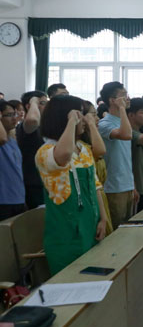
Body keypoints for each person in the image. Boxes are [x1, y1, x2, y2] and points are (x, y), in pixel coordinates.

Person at [35, 95, 108, 275]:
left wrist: (103, 218)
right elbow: (63, 155)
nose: (83, 119)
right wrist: (70, 123)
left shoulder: (83, 149)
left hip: (90, 224)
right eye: (79, 114)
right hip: (65, 231)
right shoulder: (46, 152)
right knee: (70, 279)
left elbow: (95, 185)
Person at [98, 82, 135, 230]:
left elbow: (126, 157)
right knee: (117, 231)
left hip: (127, 185)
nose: (128, 98)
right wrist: (122, 109)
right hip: (114, 187)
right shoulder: (104, 123)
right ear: (112, 100)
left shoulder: (122, 121)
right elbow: (126, 135)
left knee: (128, 229)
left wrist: (133, 185)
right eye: (124, 96)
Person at [82, 101, 113, 236]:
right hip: (90, 199)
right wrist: (90, 124)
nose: (97, 119)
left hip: (100, 196)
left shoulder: (90, 140)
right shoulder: (82, 146)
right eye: (93, 115)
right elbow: (100, 150)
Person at [16, 90, 48, 209]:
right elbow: (33, 120)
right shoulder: (25, 126)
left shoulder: (45, 127)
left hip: (46, 181)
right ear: (29, 106)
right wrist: (34, 101)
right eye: (42, 103)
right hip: (34, 184)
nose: (47, 106)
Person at [0, 100, 26, 221]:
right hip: (3, 201)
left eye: (14, 114)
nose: (14, 118)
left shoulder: (12, 140)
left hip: (18, 198)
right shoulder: (3, 139)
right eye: (9, 115)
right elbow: (2, 139)